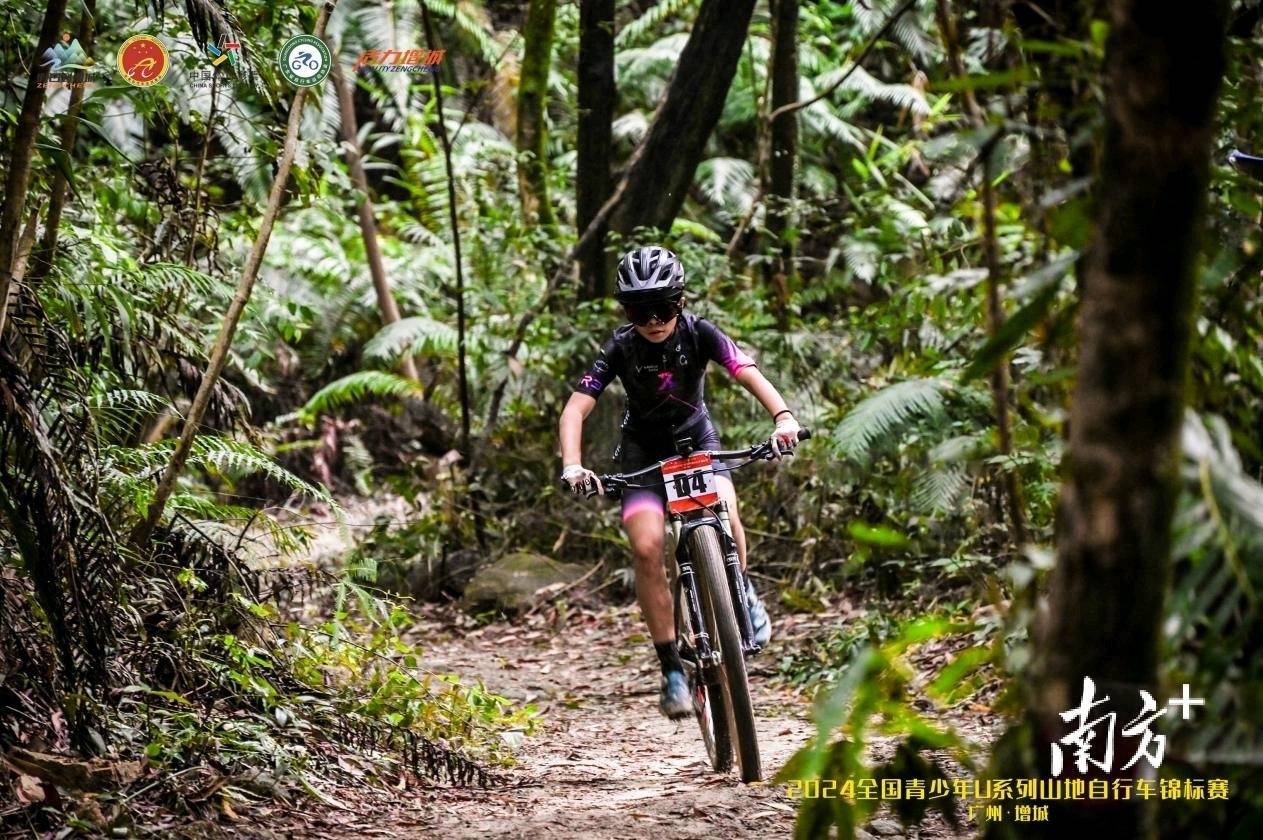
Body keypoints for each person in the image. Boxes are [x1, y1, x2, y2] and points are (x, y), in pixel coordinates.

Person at [557, 245, 802, 719]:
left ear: (681, 302)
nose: (653, 320)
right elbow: (577, 407)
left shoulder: (699, 333)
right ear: (627, 312)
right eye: (639, 310)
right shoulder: (621, 346)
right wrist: (573, 465)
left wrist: (784, 418)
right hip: (642, 456)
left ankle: (740, 590)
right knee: (648, 548)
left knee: (726, 509)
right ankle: (671, 667)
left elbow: (745, 370)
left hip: (696, 444)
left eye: (663, 307)